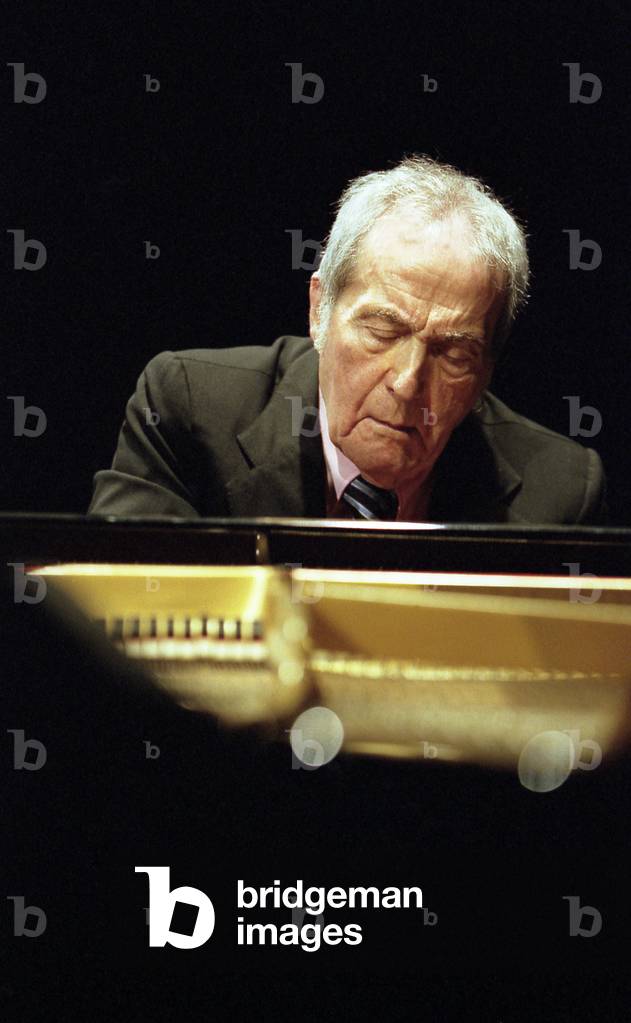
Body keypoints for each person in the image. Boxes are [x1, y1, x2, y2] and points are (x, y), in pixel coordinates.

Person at [88, 155, 607, 524]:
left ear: (488, 368)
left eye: (453, 354)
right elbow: (118, 631)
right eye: (382, 331)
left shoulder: (560, 493)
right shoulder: (189, 408)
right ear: (320, 311)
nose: (407, 383)